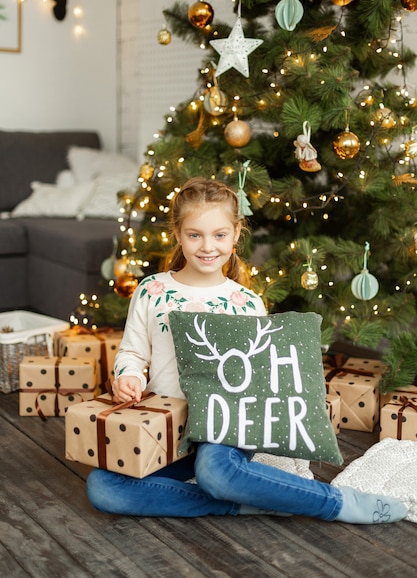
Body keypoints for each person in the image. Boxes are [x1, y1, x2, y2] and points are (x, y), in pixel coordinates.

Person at [86, 177, 408, 524]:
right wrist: (129, 377)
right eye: (194, 235)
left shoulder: (246, 303)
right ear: (178, 235)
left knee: (215, 471)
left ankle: (337, 503)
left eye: (219, 235)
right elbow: (133, 353)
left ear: (236, 234)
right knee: (103, 486)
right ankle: (244, 501)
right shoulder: (151, 290)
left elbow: (259, 377)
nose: (207, 246)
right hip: (166, 430)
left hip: (226, 427)